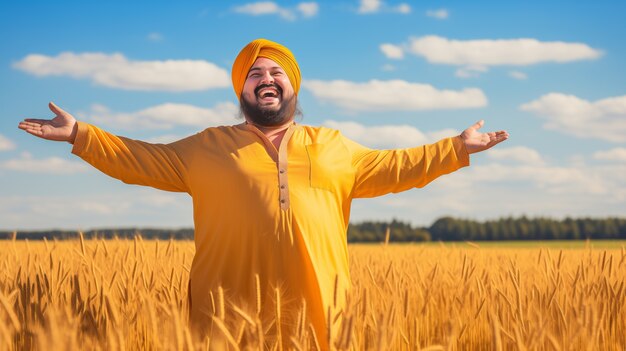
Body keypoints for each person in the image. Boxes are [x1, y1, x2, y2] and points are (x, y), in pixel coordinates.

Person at [18, 38, 508, 348]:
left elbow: (401, 165)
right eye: (255, 74)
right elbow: (139, 158)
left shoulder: (335, 148)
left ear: (292, 86)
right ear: (242, 90)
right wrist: (81, 134)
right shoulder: (206, 148)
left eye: (276, 73)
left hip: (321, 328)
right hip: (224, 327)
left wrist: (455, 148)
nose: (266, 79)